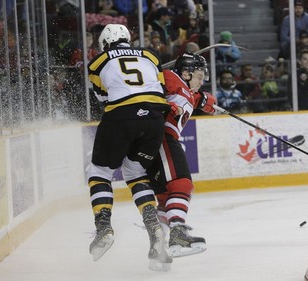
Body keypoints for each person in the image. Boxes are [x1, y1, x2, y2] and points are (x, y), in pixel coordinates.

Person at [87, 24, 172, 271]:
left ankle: (103, 227)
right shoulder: (151, 56)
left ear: (106, 42)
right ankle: (154, 226)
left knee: (99, 171)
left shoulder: (97, 62)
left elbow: (103, 98)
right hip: (155, 117)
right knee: (135, 173)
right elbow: (161, 87)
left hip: (121, 115)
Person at [147, 52, 217, 257]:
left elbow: (207, 102)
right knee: (182, 183)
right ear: (186, 72)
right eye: (199, 75)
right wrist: (167, 104)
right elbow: (150, 93)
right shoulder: (169, 77)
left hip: (161, 140)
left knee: (165, 196)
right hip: (162, 137)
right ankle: (178, 231)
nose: (201, 80)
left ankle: (158, 247)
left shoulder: (188, 91)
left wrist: (206, 100)